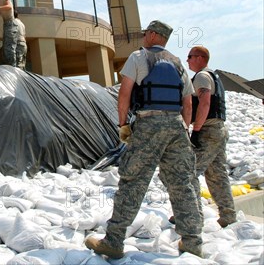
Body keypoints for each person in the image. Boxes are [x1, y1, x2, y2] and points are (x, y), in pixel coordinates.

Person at [85, 20, 203, 259]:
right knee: (183, 184)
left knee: (133, 181)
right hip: (176, 127)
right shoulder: (178, 62)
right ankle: (192, 243)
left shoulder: (138, 58)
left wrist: (123, 125)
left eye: (145, 33)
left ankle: (114, 241)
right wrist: (184, 129)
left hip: (149, 124)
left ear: (151, 35)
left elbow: (125, 92)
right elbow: (188, 102)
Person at [187, 46, 237, 228]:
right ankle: (228, 216)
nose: (187, 60)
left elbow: (205, 102)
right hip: (219, 130)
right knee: (217, 175)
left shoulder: (201, 77)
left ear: (200, 58)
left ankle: (191, 216)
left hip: (208, 131)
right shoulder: (214, 76)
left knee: (188, 173)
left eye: (190, 57)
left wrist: (197, 130)